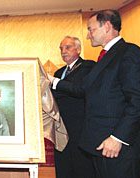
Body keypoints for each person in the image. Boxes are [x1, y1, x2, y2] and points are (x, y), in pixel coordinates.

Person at [49, 9, 140, 178]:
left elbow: (138, 101)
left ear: (107, 26)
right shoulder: (105, 57)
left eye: (91, 29)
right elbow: (85, 90)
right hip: (100, 146)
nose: (88, 35)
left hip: (118, 148)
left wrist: (118, 138)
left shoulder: (129, 52)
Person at [52, 36, 96, 178]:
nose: (63, 51)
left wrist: (55, 83)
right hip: (61, 127)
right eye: (61, 48)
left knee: (81, 166)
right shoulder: (59, 72)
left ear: (78, 49)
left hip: (80, 127)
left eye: (68, 47)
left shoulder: (88, 66)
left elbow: (78, 89)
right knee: (64, 165)